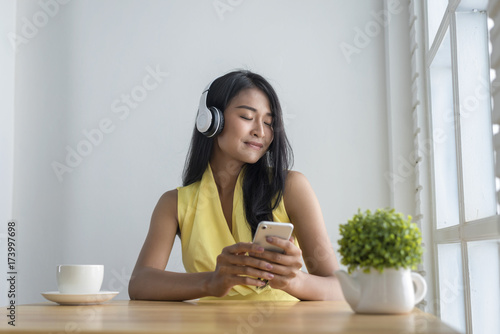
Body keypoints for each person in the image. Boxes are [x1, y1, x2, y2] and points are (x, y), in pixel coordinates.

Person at [128, 70, 344, 301]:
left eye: (269, 122)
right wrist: (210, 281)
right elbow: (141, 283)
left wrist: (295, 280)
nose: (260, 131)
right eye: (246, 117)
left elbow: (339, 289)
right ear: (211, 120)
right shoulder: (174, 203)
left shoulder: (291, 187)